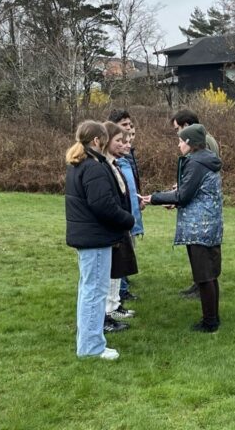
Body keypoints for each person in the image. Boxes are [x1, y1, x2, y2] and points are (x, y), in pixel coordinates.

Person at [142, 124, 224, 332]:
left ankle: (210, 322)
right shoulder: (207, 159)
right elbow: (192, 192)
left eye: (180, 141)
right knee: (210, 274)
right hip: (210, 225)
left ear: (188, 142)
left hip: (199, 227)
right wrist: (173, 199)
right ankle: (213, 318)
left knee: (204, 276)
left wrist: (155, 198)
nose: (178, 145)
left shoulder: (195, 162)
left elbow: (183, 195)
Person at [65, 120, 135, 360]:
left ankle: (88, 344)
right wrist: (127, 219)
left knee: (89, 291)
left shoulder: (79, 164)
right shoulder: (93, 167)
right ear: (96, 140)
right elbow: (102, 205)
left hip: (89, 237)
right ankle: (91, 347)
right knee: (95, 293)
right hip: (95, 239)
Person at [170, 109, 220, 299]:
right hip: (201, 206)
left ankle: (203, 288)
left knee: (205, 257)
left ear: (187, 125)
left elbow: (202, 172)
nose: (178, 135)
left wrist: (183, 189)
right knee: (201, 258)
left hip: (203, 212)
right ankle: (199, 285)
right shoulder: (202, 140)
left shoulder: (203, 143)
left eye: (178, 130)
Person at [101, 122, 140, 333]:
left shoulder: (115, 164)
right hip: (113, 225)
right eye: (118, 140)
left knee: (117, 269)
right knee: (110, 272)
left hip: (121, 223)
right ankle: (107, 312)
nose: (123, 144)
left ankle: (114, 307)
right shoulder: (104, 166)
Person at [107, 109, 143, 302]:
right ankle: (119, 295)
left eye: (130, 125)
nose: (128, 129)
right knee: (119, 255)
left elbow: (131, 183)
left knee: (127, 251)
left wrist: (136, 199)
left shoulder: (128, 154)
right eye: (124, 125)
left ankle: (122, 288)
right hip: (120, 218)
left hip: (129, 213)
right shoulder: (112, 161)